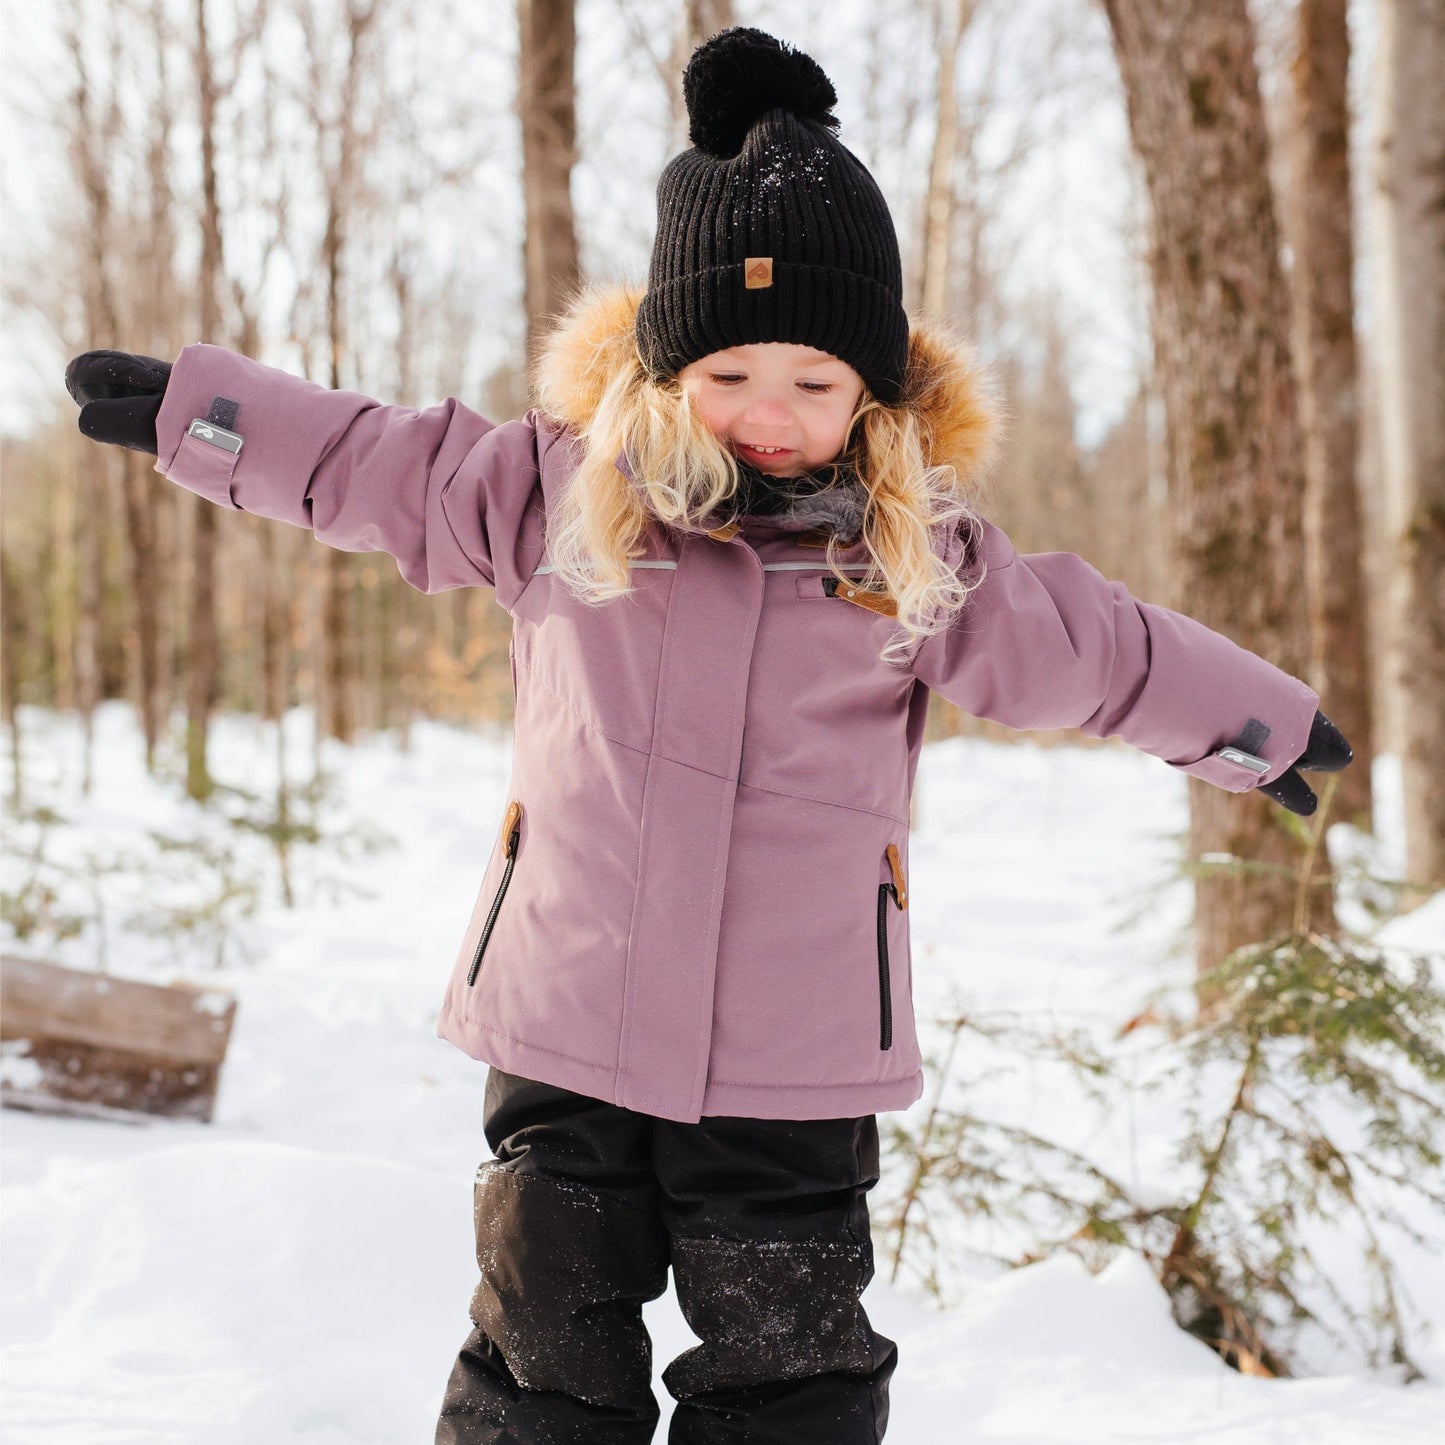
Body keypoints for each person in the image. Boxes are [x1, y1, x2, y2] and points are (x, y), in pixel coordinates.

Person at [65, 26, 1352, 1445]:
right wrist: (207, 414)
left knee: (788, 1366)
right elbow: (378, 461)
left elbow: (1093, 647)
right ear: (668, 366)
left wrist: (1257, 721)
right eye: (733, 375)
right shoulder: (551, 496)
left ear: (874, 393)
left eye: (816, 384)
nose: (772, 418)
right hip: (567, 1020)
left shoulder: (913, 561)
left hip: (789, 1056)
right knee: (542, 1344)